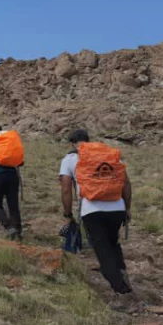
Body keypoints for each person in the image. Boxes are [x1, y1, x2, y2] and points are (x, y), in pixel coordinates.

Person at [59, 129, 134, 304]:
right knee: (113, 243)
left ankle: (122, 291)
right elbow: (126, 183)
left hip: (92, 210)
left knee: (102, 251)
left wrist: (68, 213)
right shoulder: (110, 155)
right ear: (87, 140)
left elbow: (65, 188)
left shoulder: (70, 159)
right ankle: (121, 272)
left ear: (72, 143)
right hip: (117, 207)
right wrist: (127, 208)